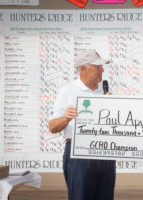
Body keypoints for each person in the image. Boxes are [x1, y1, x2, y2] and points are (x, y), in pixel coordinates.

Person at [48, 49, 116, 200]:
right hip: (78, 155)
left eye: (102, 67)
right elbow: (52, 127)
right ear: (83, 68)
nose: (102, 70)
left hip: (105, 153)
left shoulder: (107, 90)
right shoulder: (67, 91)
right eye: (98, 67)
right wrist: (66, 118)